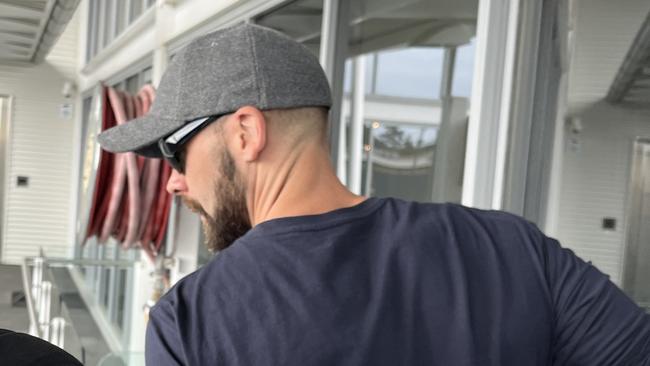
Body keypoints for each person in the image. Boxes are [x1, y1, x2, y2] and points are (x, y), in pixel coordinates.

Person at [98, 22, 650, 365]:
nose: (172, 178)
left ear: (246, 133)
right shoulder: (511, 248)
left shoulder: (192, 321)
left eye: (173, 151)